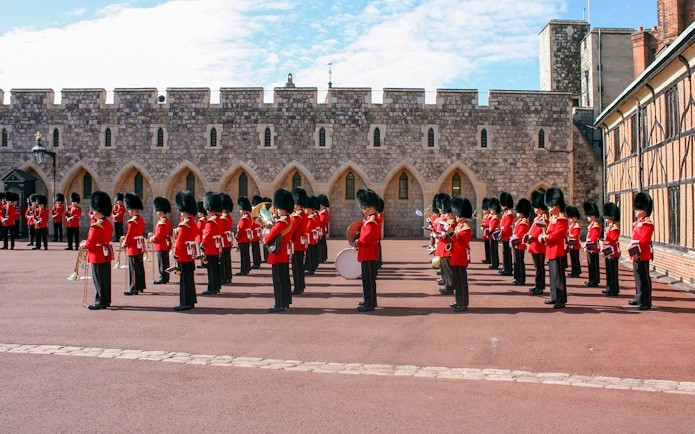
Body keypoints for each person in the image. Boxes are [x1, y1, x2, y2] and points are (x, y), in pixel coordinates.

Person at [81, 191, 114, 310]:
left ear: (98, 210)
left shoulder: (96, 226)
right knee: (105, 279)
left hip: (97, 255)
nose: (92, 213)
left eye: (94, 210)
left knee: (98, 279)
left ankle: (99, 301)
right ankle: (105, 300)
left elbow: (91, 242)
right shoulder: (107, 223)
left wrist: (84, 245)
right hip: (106, 253)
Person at [264, 189, 295, 312]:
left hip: (278, 252)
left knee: (278, 281)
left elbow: (269, 236)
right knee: (284, 278)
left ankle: (279, 304)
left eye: (278, 209)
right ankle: (285, 301)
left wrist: (265, 236)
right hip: (284, 252)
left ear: (282, 209)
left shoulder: (281, 222)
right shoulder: (289, 221)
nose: (277, 211)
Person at [351, 188, 381, 312]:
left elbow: (366, 238)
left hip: (368, 253)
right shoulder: (369, 220)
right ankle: (370, 301)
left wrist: (357, 242)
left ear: (371, 208)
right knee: (368, 280)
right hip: (367, 253)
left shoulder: (371, 221)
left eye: (365, 208)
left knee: (368, 280)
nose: (363, 210)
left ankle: (369, 303)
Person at [539, 187, 568, 309]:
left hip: (557, 249)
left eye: (551, 206)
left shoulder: (562, 218)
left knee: (558, 277)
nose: (549, 209)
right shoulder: (553, 218)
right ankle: (554, 296)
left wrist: (545, 238)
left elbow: (557, 234)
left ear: (557, 205)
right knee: (552, 275)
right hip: (551, 249)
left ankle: (561, 299)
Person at [173, 190, 199, 311]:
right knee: (189, 278)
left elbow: (180, 242)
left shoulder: (184, 225)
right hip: (190, 254)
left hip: (183, 255)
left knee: (184, 279)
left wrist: (175, 254)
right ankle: (191, 300)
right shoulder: (193, 224)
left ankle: (185, 302)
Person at [629, 192, 655, 310]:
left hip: (642, 253)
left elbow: (644, 241)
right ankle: (638, 296)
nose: (635, 211)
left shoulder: (647, 224)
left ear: (644, 210)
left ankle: (646, 301)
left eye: (638, 209)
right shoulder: (638, 223)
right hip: (635, 253)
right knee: (637, 276)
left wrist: (636, 251)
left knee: (644, 278)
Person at [449, 196, 473, 312]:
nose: (456, 217)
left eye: (457, 215)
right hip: (455, 256)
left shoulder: (466, 228)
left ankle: (463, 303)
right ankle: (459, 300)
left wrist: (452, 234)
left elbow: (461, 242)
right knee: (457, 281)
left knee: (461, 282)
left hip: (460, 257)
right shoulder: (459, 226)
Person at [122, 193, 146, 295]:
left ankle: (134, 288)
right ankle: (140, 286)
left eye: (129, 209)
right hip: (139, 245)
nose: (128, 211)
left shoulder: (132, 221)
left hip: (133, 247)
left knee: (134, 268)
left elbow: (130, 235)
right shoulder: (140, 220)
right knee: (139, 266)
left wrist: (125, 243)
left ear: (133, 209)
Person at [201, 192, 223, 295]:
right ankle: (216, 286)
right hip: (216, 246)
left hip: (210, 247)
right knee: (216, 267)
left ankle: (212, 288)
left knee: (211, 269)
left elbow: (208, 236)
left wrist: (202, 245)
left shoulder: (211, 221)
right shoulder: (219, 219)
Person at [527, 190, 548, 295]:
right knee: (537, 267)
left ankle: (540, 287)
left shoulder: (544, 217)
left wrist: (532, 236)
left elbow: (541, 231)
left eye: (536, 207)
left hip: (539, 245)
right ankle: (537, 285)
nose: (534, 209)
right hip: (534, 245)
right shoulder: (538, 217)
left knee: (539, 267)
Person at [290, 187, 309, 294]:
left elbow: (291, 230)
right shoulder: (303, 214)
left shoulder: (297, 217)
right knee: (299, 267)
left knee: (296, 267)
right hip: (300, 243)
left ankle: (298, 287)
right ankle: (300, 286)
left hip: (295, 244)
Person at [436, 194, 455, 295]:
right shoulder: (448, 220)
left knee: (448, 269)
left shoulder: (452, 221)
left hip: (448, 247)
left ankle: (449, 286)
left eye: (448, 213)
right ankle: (447, 284)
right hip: (443, 246)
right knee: (445, 267)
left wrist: (446, 233)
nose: (446, 215)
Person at [151, 196, 172, 285]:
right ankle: (165, 277)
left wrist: (153, 239)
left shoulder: (162, 222)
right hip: (165, 244)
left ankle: (162, 277)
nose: (157, 212)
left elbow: (159, 235)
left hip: (161, 244)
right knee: (165, 261)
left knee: (162, 262)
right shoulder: (166, 221)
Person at [601, 202, 621, 297]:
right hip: (608, 252)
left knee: (613, 272)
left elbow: (612, 242)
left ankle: (614, 289)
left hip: (612, 253)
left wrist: (607, 251)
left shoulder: (614, 228)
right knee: (609, 271)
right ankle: (609, 288)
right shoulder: (609, 228)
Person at [512, 198, 531, 286]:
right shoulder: (520, 221)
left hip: (519, 244)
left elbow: (520, 235)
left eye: (518, 212)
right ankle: (517, 277)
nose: (517, 213)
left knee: (519, 262)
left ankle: (521, 279)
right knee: (516, 262)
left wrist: (514, 241)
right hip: (516, 243)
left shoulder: (524, 222)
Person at [583, 201, 602, 288]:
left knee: (593, 265)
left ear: (593, 215)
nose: (588, 217)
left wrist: (588, 245)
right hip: (590, 247)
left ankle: (594, 280)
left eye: (589, 216)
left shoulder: (596, 225)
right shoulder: (592, 225)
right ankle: (592, 279)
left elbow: (594, 238)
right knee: (590, 264)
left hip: (593, 248)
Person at [235, 196, 254, 276]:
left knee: (243, 255)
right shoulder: (248, 217)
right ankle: (247, 267)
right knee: (246, 254)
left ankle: (244, 269)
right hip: (246, 238)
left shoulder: (244, 218)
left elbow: (241, 229)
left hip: (243, 239)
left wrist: (237, 237)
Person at [219, 193, 234, 284]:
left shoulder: (223, 217)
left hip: (223, 241)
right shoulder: (228, 216)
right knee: (227, 259)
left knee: (223, 260)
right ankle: (228, 276)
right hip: (226, 240)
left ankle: (224, 277)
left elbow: (220, 231)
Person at [499, 192, 515, 276]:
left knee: (507, 254)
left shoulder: (509, 214)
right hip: (505, 235)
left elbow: (506, 226)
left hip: (507, 236)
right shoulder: (506, 213)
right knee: (505, 253)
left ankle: (508, 270)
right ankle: (505, 268)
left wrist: (502, 234)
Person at [304, 196, 320, 275]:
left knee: (310, 254)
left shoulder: (311, 218)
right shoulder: (315, 216)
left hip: (309, 237)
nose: (306, 210)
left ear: (311, 209)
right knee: (312, 253)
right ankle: (311, 266)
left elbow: (307, 228)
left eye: (307, 209)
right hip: (313, 237)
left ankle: (310, 268)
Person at [565, 205, 582, 278]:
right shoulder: (572, 225)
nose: (570, 219)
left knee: (575, 259)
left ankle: (576, 272)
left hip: (575, 244)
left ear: (576, 218)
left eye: (572, 218)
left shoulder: (576, 225)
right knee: (573, 259)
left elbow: (575, 235)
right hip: (571, 244)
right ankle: (574, 271)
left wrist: (570, 238)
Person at [488, 197, 502, 270]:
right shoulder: (494, 217)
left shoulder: (495, 217)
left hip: (493, 235)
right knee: (493, 250)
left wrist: (489, 231)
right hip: (492, 235)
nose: (490, 210)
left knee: (494, 250)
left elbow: (493, 227)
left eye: (492, 209)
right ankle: (494, 263)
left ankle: (495, 264)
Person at [251, 195, 264, 268]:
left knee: (255, 248)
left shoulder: (254, 212)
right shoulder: (258, 212)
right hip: (257, 232)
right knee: (256, 248)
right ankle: (257, 261)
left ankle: (256, 262)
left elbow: (252, 223)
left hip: (253, 232)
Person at [317, 194, 330, 263]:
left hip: (321, 231)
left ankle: (321, 258)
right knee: (322, 244)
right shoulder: (324, 212)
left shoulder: (323, 213)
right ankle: (323, 257)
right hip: (322, 230)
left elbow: (321, 222)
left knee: (321, 245)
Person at [480, 198, 492, 264]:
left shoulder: (490, 216)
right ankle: (487, 258)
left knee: (489, 247)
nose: (484, 210)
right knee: (486, 247)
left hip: (488, 233)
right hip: (485, 233)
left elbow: (489, 224)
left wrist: (485, 225)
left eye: (485, 209)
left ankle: (489, 259)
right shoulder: (486, 216)